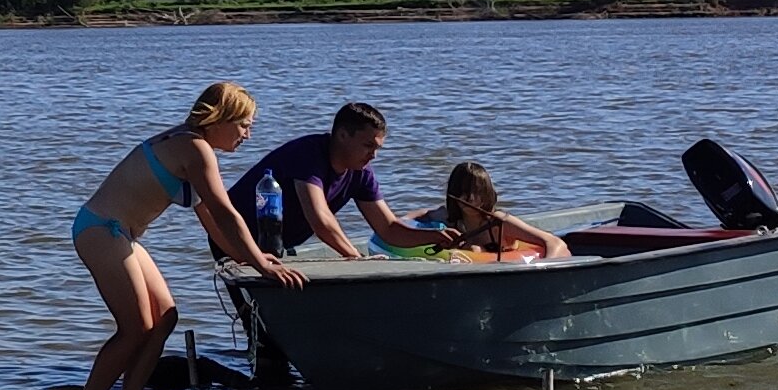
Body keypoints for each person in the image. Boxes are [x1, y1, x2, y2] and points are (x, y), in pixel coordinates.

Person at [71, 79, 302, 390]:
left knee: (166, 317)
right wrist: (259, 263)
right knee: (135, 327)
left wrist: (243, 257)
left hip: (120, 234)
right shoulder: (195, 148)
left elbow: (209, 217)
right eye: (244, 126)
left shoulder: (193, 147)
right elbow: (226, 213)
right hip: (101, 230)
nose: (247, 135)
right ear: (220, 119)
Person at [229, 101, 429, 260]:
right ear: (342, 135)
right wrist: (356, 258)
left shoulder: (361, 171)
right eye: (368, 145)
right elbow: (320, 220)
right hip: (232, 240)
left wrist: (435, 237)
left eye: (377, 148)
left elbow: (388, 229)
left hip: (273, 248)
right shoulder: (308, 155)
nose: (373, 155)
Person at [419, 162, 568, 262]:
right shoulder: (449, 217)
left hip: (504, 276)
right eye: (463, 192)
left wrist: (544, 270)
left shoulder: (498, 223)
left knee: (474, 249)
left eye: (476, 192)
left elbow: (555, 243)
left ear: (486, 194)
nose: (469, 198)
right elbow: (418, 216)